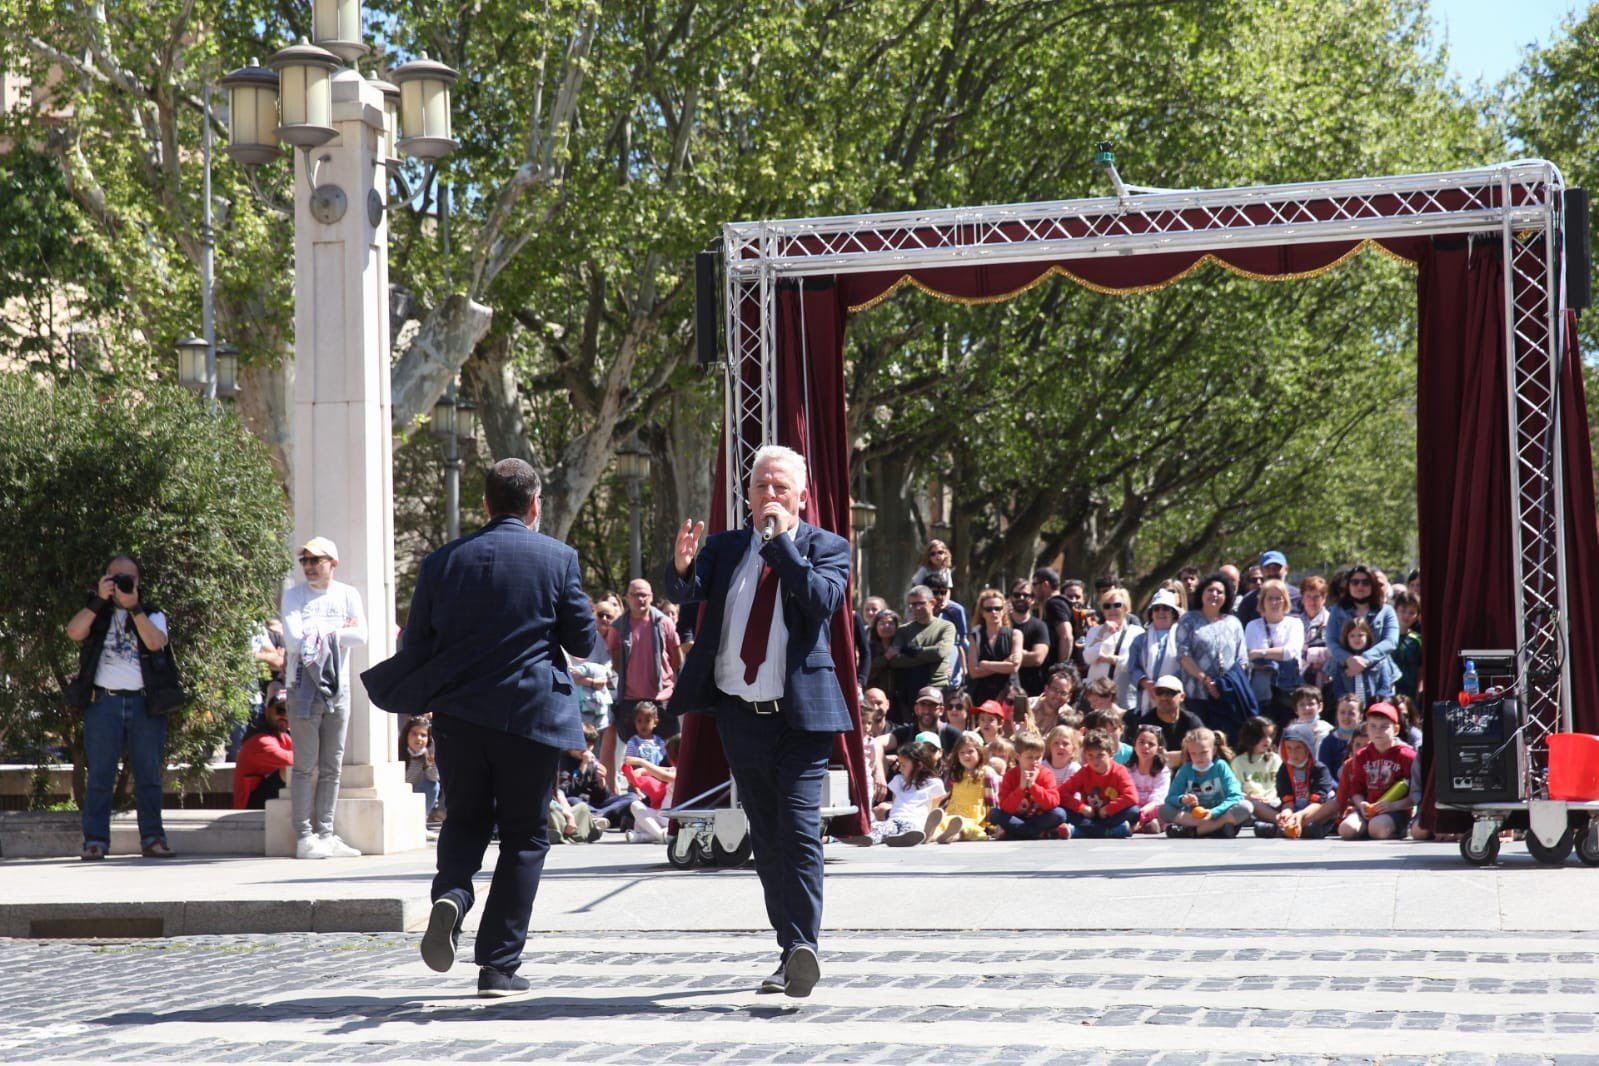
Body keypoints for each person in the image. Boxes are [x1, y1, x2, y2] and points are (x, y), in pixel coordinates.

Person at [361, 458, 596, 999]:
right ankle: (497, 965)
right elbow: (582, 639)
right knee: (525, 837)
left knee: (464, 819)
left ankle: (452, 895)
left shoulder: (444, 562)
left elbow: (416, 644)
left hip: (461, 718)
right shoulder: (558, 559)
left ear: (485, 504)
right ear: (535, 505)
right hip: (529, 720)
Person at [664, 443, 852, 999]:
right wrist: (679, 567)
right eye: (761, 486)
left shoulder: (828, 547)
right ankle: (789, 948)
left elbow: (820, 601)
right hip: (740, 714)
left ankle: (805, 946)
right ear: (747, 496)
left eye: (781, 487)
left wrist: (781, 547)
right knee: (766, 838)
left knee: (798, 833)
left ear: (801, 496)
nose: (770, 494)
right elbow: (686, 591)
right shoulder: (724, 548)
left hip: (800, 719)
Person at [65, 555, 178, 860]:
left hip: (145, 703)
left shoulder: (152, 613)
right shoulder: (97, 614)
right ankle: (95, 842)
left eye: (130, 580)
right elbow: (74, 632)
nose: (124, 585)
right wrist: (97, 602)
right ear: (106, 580)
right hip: (105, 702)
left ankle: (153, 838)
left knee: (149, 776)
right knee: (100, 775)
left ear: (140, 584)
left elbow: (156, 643)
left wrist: (134, 607)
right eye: (117, 579)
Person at [281, 536, 368, 860]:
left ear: (333, 563)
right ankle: (304, 835)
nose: (309, 567)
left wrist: (318, 630)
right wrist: (335, 630)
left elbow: (361, 635)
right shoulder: (294, 595)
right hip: (302, 687)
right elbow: (292, 640)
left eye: (316, 560)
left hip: (337, 687)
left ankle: (326, 832)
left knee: (332, 765)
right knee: (304, 765)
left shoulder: (347, 594)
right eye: (305, 561)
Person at [602, 578, 681, 789]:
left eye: (645, 594)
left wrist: (667, 680)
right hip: (631, 700)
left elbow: (676, 655)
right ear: (627, 598)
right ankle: (635, 801)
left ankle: (670, 798)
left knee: (670, 756)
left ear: (652, 597)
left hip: (662, 700)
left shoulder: (664, 622)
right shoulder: (618, 627)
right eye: (636, 594)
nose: (641, 599)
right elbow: (615, 654)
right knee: (633, 762)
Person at [1175, 572, 1250, 739]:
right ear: (1202, 592)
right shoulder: (1189, 620)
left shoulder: (1233, 623)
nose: (1214, 595)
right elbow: (1183, 655)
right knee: (1199, 739)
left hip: (1226, 694)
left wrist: (1226, 684)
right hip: (1196, 694)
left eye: (1220, 592)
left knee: (1226, 741)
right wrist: (1205, 680)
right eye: (1210, 590)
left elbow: (1242, 659)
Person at [1337, 702, 1416, 840]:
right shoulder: (1362, 755)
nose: (1378, 731)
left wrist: (1392, 806)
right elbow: (1356, 789)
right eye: (1372, 726)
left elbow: (1415, 795)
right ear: (1366, 728)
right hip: (1369, 809)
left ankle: (1396, 830)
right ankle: (1369, 829)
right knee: (1346, 830)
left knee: (1377, 828)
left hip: (1396, 810)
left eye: (1384, 727)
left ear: (1396, 729)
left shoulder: (1407, 755)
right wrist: (1361, 804)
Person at [1325, 564, 1400, 709]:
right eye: (1355, 582)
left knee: (1378, 713)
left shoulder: (1386, 611)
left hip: (1379, 672)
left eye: (1365, 582)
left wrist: (1364, 659)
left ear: (1372, 585)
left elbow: (1391, 641)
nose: (1360, 586)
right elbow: (1331, 640)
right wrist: (1348, 659)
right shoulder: (1337, 611)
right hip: (1344, 671)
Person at [845, 740, 943, 847]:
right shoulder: (898, 780)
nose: (899, 769)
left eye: (903, 765)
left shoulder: (934, 784)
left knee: (910, 830)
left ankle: (905, 838)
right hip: (894, 819)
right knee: (880, 828)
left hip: (915, 821)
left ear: (919, 765)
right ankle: (866, 837)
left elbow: (934, 809)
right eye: (899, 764)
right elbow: (895, 802)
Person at [1161, 728, 1252, 838]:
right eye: (1193, 753)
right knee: (1164, 809)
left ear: (1213, 750)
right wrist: (1182, 799)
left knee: (1246, 807)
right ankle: (1213, 828)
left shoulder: (1220, 766)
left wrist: (1213, 812)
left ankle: (1196, 831)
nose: (1198, 758)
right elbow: (1170, 798)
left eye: (1203, 753)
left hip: (1219, 813)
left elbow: (1236, 796)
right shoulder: (1186, 769)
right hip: (1193, 817)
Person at [1255, 721, 1339, 840]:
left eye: (1298, 748)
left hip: (1312, 811)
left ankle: (1284, 829)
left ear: (1308, 747)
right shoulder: (1284, 769)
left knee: (1335, 803)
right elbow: (1287, 800)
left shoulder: (1319, 769)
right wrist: (1286, 813)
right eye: (1289, 748)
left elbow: (1317, 802)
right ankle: (1298, 828)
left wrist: (1300, 815)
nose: (1293, 753)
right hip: (1293, 810)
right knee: (1255, 805)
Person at [1244, 579, 1305, 729]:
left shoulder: (1295, 624)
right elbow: (1250, 655)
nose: (1274, 602)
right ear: (1262, 601)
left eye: (1279, 598)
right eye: (1270, 598)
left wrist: (1262, 652)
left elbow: (1290, 652)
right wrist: (1274, 653)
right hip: (1262, 690)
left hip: (1288, 688)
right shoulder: (1252, 626)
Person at [885, 585, 956, 710]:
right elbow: (895, 661)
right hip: (909, 691)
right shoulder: (903, 631)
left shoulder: (946, 627)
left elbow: (940, 652)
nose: (917, 608)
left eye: (921, 603)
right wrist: (929, 654)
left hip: (936, 688)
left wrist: (911, 650)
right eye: (913, 604)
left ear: (932, 603)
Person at [1060, 730, 1140, 838]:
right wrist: (1081, 807)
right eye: (1090, 755)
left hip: (1109, 816)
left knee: (1134, 811)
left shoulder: (1119, 771)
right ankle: (1112, 831)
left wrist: (1108, 809)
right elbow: (1061, 793)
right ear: (1085, 755)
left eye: (1100, 755)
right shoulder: (1084, 771)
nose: (1095, 761)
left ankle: (1081, 831)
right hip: (1089, 815)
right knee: (1061, 811)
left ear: (1111, 753)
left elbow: (1132, 797)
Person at [990, 731, 1068, 840]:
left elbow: (1053, 802)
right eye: (1029, 757)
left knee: (1060, 814)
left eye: (1038, 757)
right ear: (1018, 756)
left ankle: (1017, 833)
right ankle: (1038, 833)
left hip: (1039, 819)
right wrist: (1021, 788)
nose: (1035, 761)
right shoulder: (1010, 775)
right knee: (995, 814)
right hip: (1017, 818)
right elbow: (1005, 807)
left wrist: (1033, 786)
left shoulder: (1046, 773)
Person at [233, 685, 293, 810]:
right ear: (266, 710)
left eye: (290, 710)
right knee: (289, 770)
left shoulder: (282, 735)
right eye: (279, 710)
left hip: (265, 798)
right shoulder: (260, 741)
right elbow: (294, 760)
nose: (285, 716)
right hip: (249, 806)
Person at [1082, 585, 1142, 710]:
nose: (1112, 610)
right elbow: (1088, 658)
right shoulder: (1094, 631)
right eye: (1107, 606)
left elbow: (1130, 664)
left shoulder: (1136, 632)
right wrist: (1102, 632)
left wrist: (1106, 658)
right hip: (1095, 697)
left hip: (1123, 697)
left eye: (1117, 605)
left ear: (1126, 608)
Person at [933, 731, 998, 843]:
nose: (965, 756)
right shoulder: (955, 774)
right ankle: (930, 835)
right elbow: (949, 797)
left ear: (979, 752)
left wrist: (994, 824)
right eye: (961, 753)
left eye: (970, 752)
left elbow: (991, 800)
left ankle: (951, 836)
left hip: (973, 816)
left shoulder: (986, 772)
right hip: (953, 812)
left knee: (965, 828)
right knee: (942, 823)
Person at [1129, 675, 1205, 769]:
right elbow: (1135, 756)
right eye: (1159, 692)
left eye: (1170, 693)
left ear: (1182, 697)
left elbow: (1205, 749)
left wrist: (1180, 756)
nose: (1164, 697)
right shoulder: (1145, 724)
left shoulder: (1192, 721)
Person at [1128, 588, 1184, 715]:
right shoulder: (1140, 640)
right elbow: (1132, 667)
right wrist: (1147, 684)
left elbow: (1186, 666)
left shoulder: (1182, 638)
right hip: (1146, 697)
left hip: (1174, 696)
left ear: (1173, 613)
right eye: (1156, 608)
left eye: (1165, 608)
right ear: (1151, 613)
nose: (1161, 612)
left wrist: (1166, 688)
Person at [965, 587, 1023, 704]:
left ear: (1003, 610)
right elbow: (974, 672)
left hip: (1009, 696)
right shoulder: (975, 636)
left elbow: (1014, 667)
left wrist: (985, 664)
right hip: (982, 696)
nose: (994, 612)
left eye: (998, 608)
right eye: (989, 609)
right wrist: (1003, 664)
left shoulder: (1015, 635)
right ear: (982, 612)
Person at [1231, 716, 1282, 824]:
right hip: (1253, 803)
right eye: (1263, 736)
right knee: (1251, 806)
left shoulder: (1276, 759)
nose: (1268, 740)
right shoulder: (1238, 762)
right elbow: (1233, 790)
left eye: (1270, 736)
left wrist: (1274, 798)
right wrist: (1247, 797)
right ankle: (1282, 821)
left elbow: (1281, 785)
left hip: (1275, 802)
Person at [1009, 580, 1052, 697]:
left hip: (1032, 689)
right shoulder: (1003, 625)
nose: (1021, 598)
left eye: (1026, 595)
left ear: (1033, 599)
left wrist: (1008, 657)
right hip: (1005, 689)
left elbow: (1037, 658)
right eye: (1016, 595)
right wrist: (1024, 654)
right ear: (1010, 598)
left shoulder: (1039, 626)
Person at [1033, 568, 1078, 679]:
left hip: (1058, 671)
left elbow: (1066, 636)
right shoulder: (1061, 602)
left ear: (1045, 584)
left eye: (1034, 584)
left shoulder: (1054, 604)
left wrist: (1061, 668)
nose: (1032, 589)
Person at [1236, 550, 1301, 626]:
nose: (1272, 572)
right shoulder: (1249, 600)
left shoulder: (1299, 597)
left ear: (1286, 569)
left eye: (1277, 568)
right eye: (1268, 568)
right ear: (1261, 571)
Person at [925, 576, 968, 688]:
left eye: (943, 592)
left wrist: (965, 669)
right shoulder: (917, 611)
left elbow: (962, 641)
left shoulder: (955, 610)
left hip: (951, 670)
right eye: (935, 592)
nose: (939, 596)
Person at [1127, 725, 1171, 833]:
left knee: (1164, 809)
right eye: (1141, 742)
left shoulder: (1163, 772)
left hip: (1152, 809)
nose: (1145, 746)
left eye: (1151, 744)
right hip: (1133, 809)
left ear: (1158, 748)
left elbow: (1159, 797)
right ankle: (1142, 826)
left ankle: (1144, 825)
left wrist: (1142, 812)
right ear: (1134, 744)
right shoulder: (1127, 770)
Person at [400, 715, 442, 823]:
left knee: (433, 785)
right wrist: (413, 759)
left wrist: (427, 761)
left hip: (418, 793)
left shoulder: (429, 753)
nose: (419, 738)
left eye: (423, 735)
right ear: (407, 735)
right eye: (414, 734)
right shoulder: (398, 752)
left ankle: (421, 820)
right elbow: (404, 781)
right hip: (402, 796)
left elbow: (434, 778)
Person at [1295, 575, 1333, 693]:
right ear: (1302, 598)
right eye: (1308, 596)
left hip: (1327, 678)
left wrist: (1308, 654)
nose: (1312, 601)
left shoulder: (1332, 621)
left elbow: (1333, 650)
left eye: (1316, 596)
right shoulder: (1294, 623)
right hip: (1299, 678)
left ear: (1324, 598)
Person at [1319, 693, 1364, 777]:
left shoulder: (1366, 741)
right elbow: (1325, 773)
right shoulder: (1328, 742)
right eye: (1342, 712)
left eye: (1351, 713)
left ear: (1360, 717)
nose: (1346, 717)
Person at [1391, 589, 1423, 702]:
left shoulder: (1417, 640)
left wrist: (1419, 690)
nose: (1406, 616)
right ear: (1395, 611)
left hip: (1409, 694)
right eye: (1403, 610)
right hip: (1388, 692)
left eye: (1411, 612)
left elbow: (1421, 669)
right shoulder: (1385, 638)